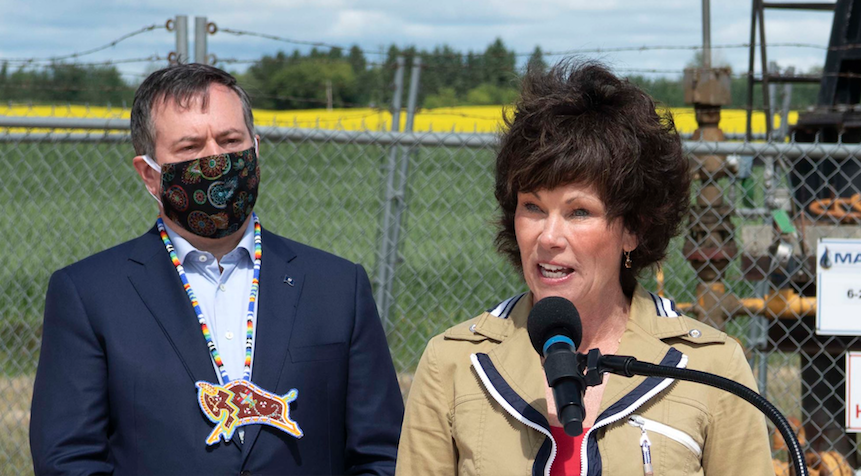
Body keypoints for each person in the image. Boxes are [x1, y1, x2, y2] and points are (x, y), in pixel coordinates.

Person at [396, 61, 773, 475]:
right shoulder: (453, 363)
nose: (549, 237)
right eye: (533, 207)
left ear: (634, 228)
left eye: (579, 212)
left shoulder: (711, 368)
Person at [30, 63, 403, 476]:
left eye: (230, 140)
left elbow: (382, 455)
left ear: (256, 150)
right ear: (149, 175)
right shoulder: (89, 294)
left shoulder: (336, 287)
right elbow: (68, 460)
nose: (215, 160)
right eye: (189, 148)